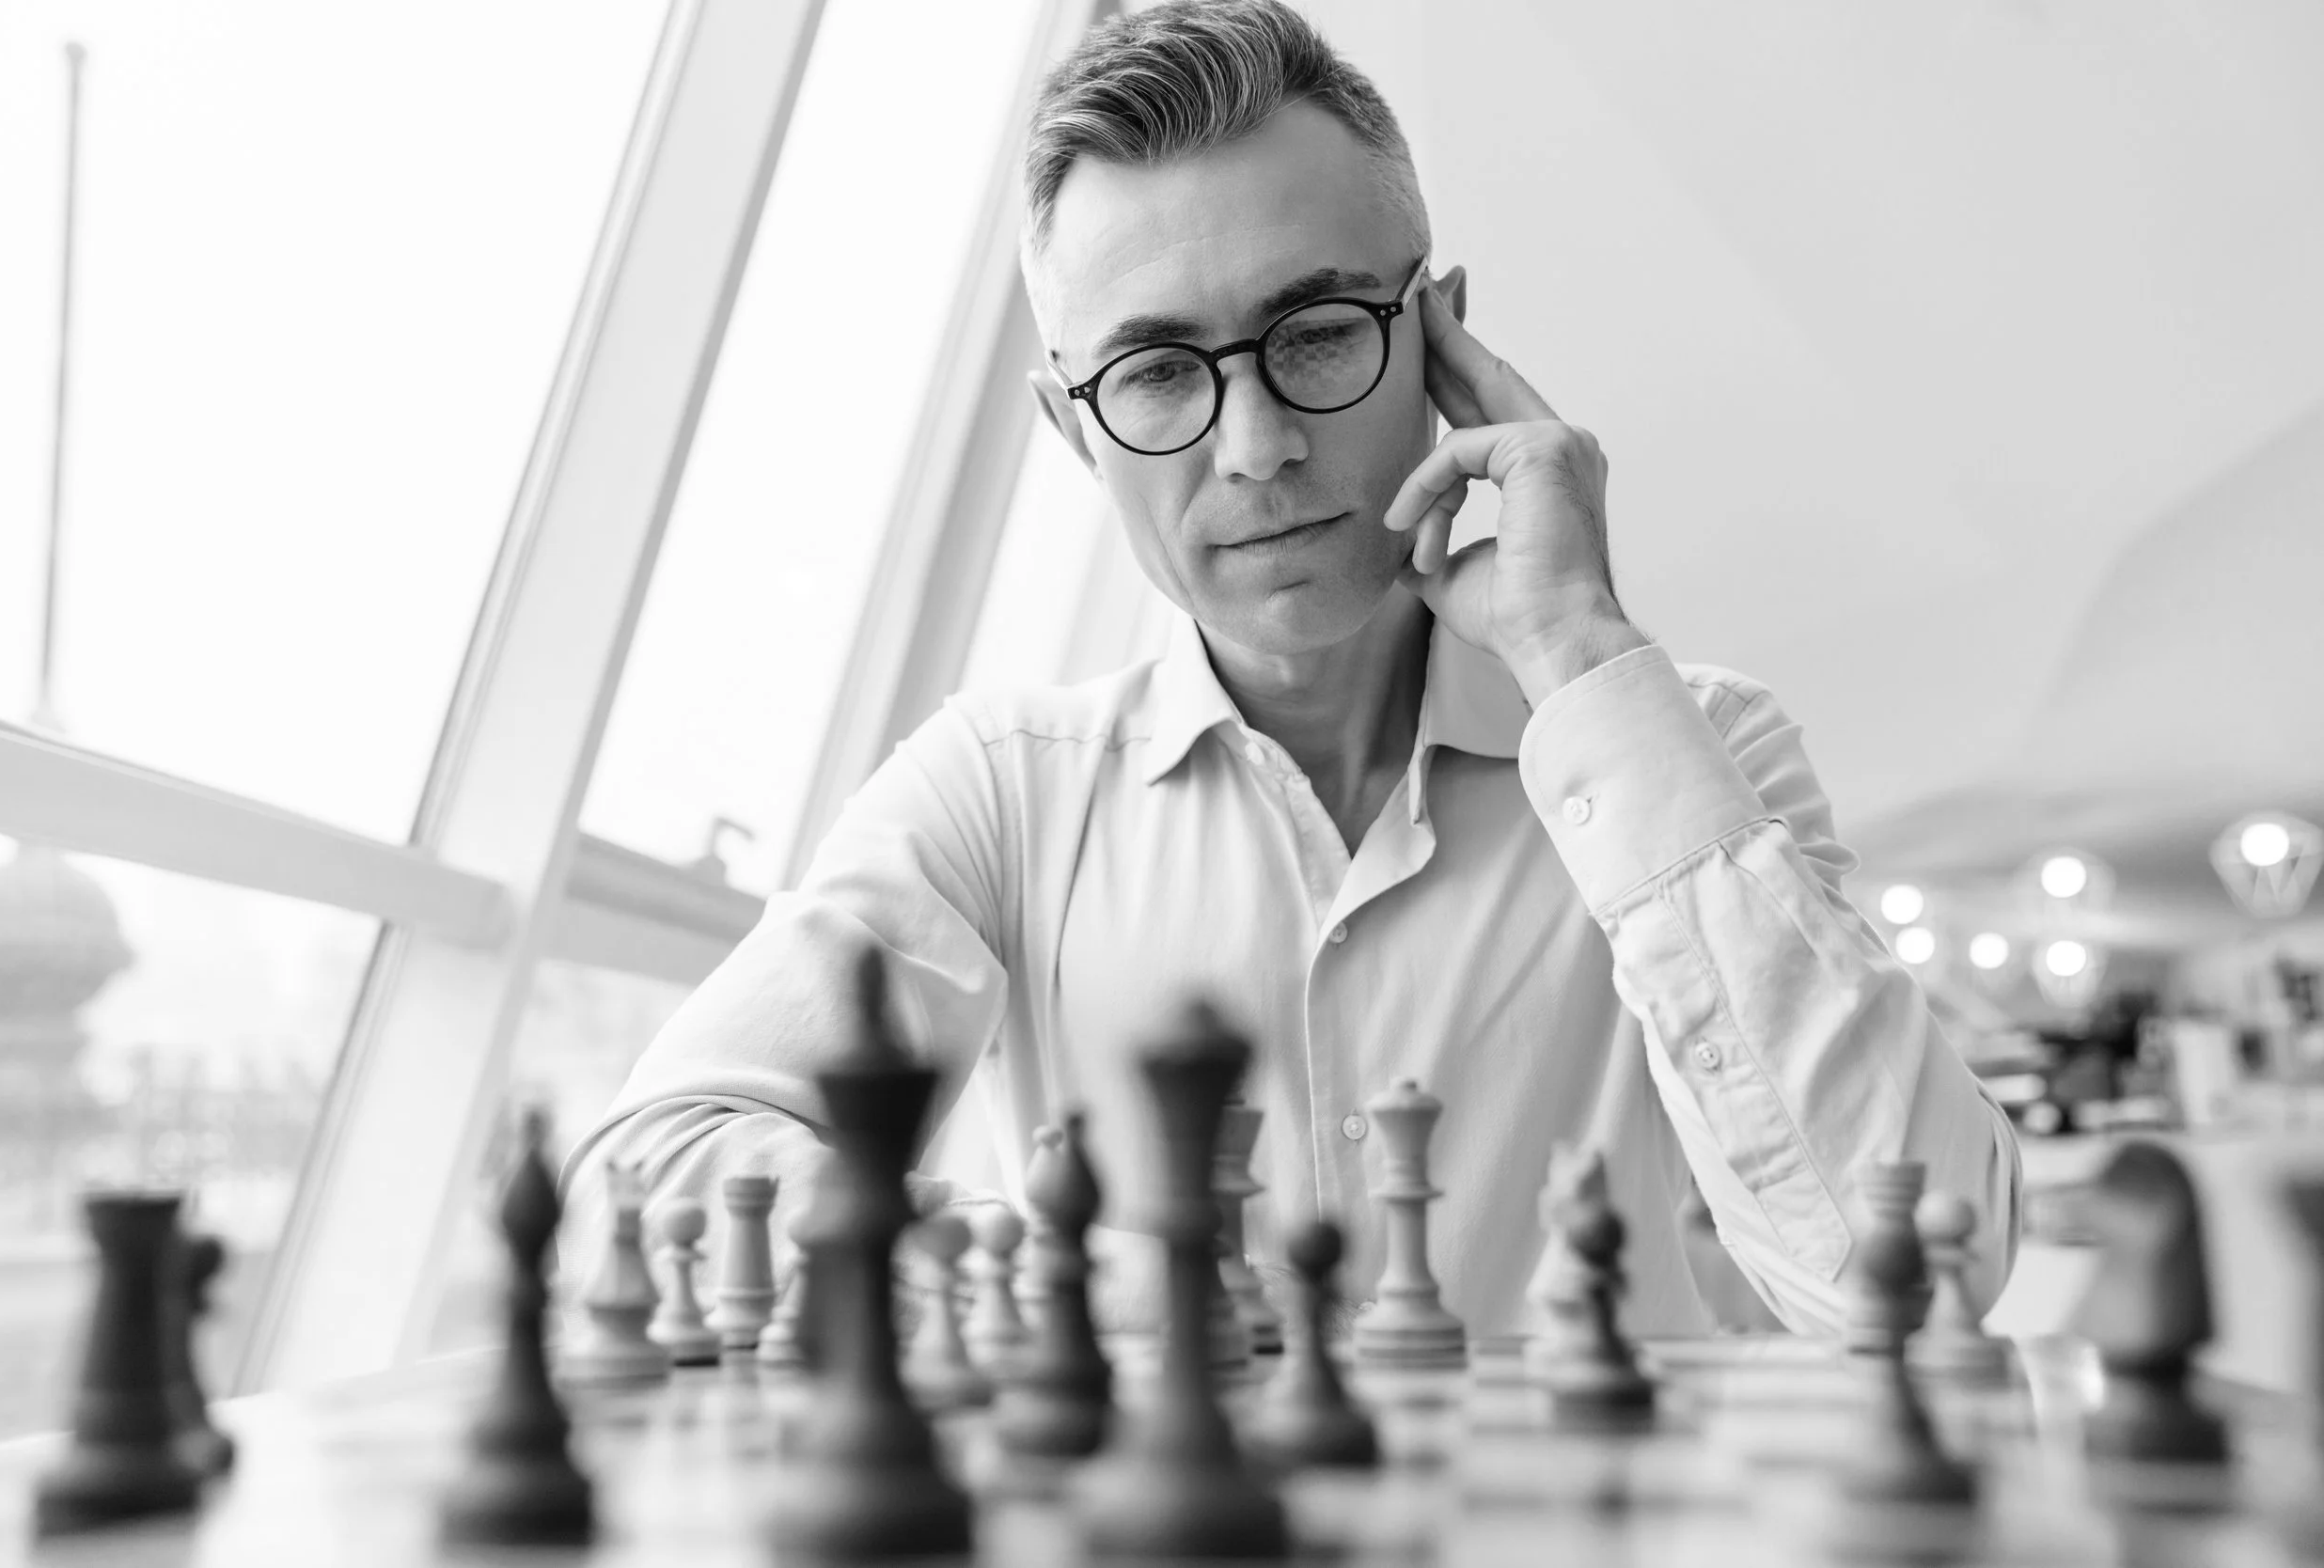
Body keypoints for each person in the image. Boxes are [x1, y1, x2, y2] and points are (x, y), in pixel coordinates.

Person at [563, 0, 2019, 1337]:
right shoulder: (1000, 795)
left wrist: (1584, 658)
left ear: (1441, 337)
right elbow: (648, 1170)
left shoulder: (1697, 753)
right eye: (1153, 375)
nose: (1256, 447)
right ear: (1073, 430)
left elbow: (1914, 1278)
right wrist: (1035, 1272)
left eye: (1319, 335)